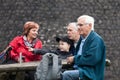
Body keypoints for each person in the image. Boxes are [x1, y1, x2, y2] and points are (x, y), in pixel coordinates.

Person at [62, 15, 106, 80]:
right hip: (81, 70)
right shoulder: (82, 39)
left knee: (67, 75)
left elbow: (92, 59)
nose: (78, 27)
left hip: (90, 74)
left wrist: (74, 59)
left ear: (90, 26)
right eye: (77, 25)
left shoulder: (96, 40)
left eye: (81, 25)